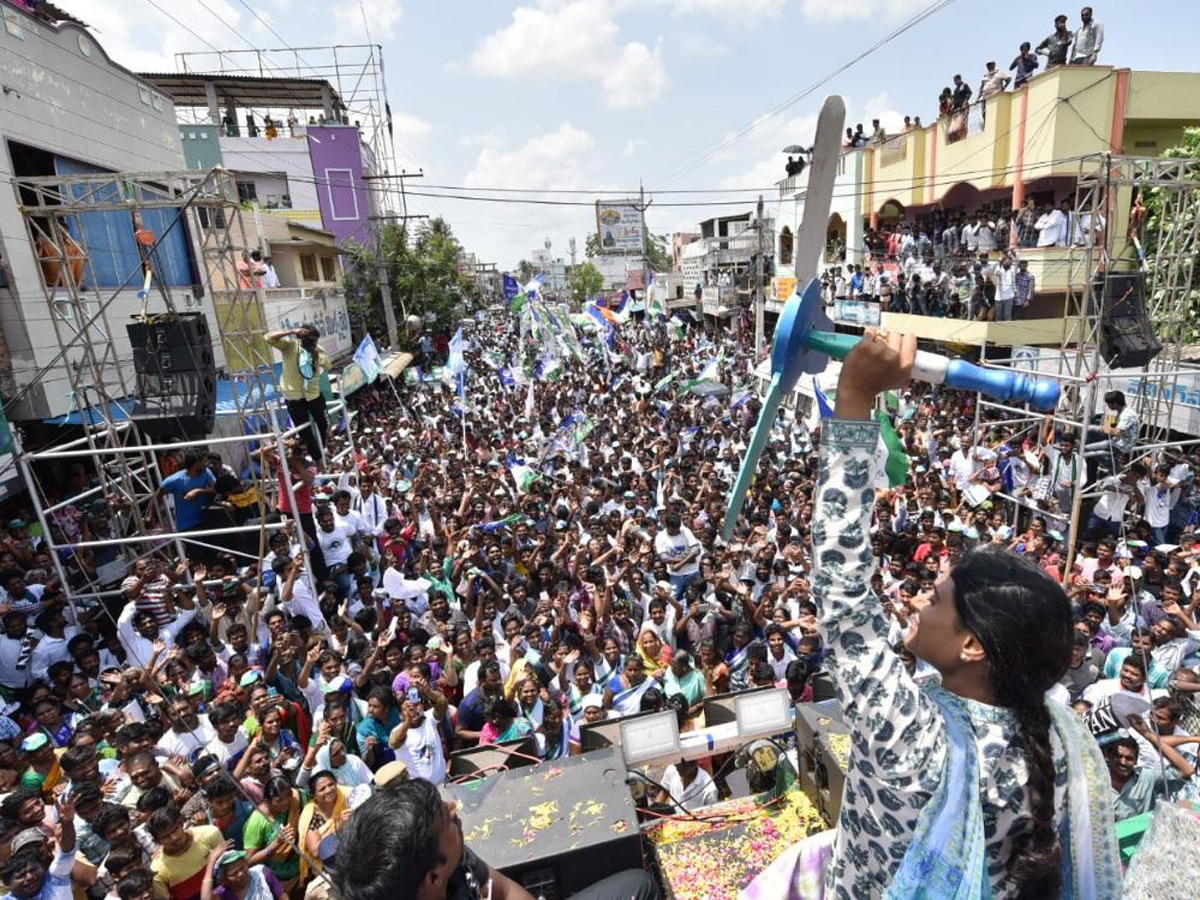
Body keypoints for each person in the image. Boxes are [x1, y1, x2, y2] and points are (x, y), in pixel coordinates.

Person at [806, 327, 1119, 898]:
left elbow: (841, 585)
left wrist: (853, 402)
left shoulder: (912, 735)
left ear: (974, 646)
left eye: (939, 598)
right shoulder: (1059, 738)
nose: (922, 600)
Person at [334, 778, 659, 900]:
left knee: (638, 886)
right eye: (446, 820)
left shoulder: (447, 859)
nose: (453, 808)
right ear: (432, 877)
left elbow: (499, 890)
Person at [266, 327, 332, 465]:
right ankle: (318, 459)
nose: (312, 343)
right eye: (309, 339)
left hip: (313, 395)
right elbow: (268, 337)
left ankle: (322, 449)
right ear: (301, 336)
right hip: (294, 397)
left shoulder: (317, 349)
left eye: (314, 340)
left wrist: (315, 355)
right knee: (305, 433)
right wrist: (291, 332)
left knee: (324, 424)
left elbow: (328, 365)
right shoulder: (289, 345)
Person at [147, 806, 226, 900]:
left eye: (175, 830)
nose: (174, 838)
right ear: (157, 841)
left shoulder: (210, 834)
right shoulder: (157, 871)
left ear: (181, 823)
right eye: (166, 836)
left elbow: (231, 866)